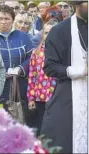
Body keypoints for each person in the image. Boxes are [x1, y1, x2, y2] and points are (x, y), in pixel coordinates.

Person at [41, 1, 88, 153]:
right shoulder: (59, 31)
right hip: (69, 94)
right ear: (77, 4)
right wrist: (81, 70)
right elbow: (50, 67)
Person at [27, 19, 58, 136]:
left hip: (56, 95)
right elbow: (32, 75)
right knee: (41, 124)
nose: (49, 35)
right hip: (40, 96)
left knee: (55, 125)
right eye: (46, 32)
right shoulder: (36, 52)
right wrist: (31, 98)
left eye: (52, 32)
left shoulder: (62, 51)